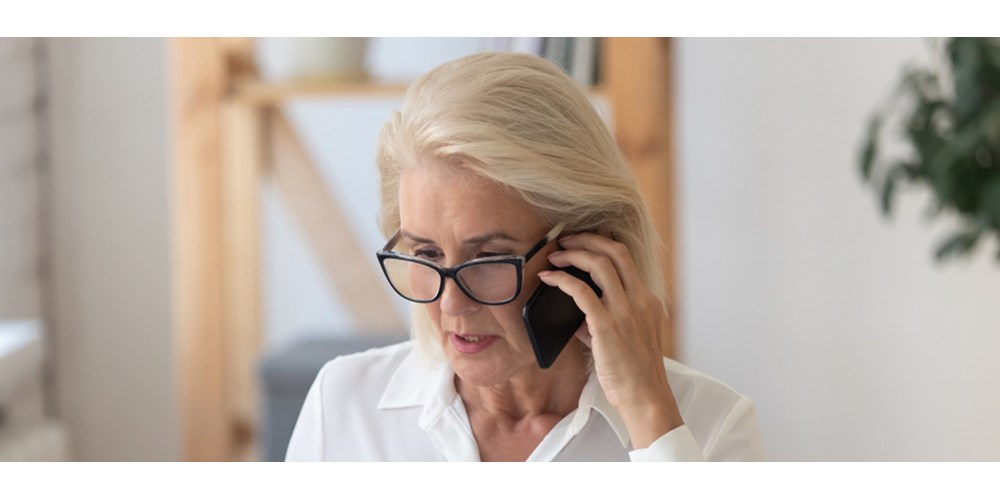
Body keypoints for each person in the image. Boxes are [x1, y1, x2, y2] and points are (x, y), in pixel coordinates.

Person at [285, 51, 766, 461]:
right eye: (426, 252)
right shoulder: (344, 406)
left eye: (489, 257)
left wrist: (647, 413)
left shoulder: (709, 425)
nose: (450, 304)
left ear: (587, 250)